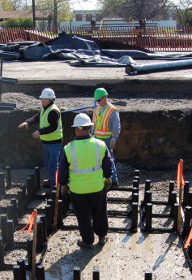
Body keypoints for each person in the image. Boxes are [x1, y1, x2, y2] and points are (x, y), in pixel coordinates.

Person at [58, 113, 112, 249]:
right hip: (97, 187)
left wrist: (64, 185)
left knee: (83, 217)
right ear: (89, 128)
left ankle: (88, 241)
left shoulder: (68, 148)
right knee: (99, 212)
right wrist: (108, 178)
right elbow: (108, 164)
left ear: (77, 129)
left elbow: (63, 170)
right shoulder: (100, 144)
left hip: (78, 190)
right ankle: (102, 237)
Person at [18, 88, 63, 189]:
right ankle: (52, 181)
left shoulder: (53, 111)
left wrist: (40, 132)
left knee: (53, 164)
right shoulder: (44, 108)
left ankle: (54, 186)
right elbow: (37, 117)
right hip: (47, 142)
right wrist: (27, 122)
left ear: (48, 99)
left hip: (54, 143)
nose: (41, 100)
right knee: (48, 163)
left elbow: (53, 127)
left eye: (43, 98)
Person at [92, 88, 121, 188]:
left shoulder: (112, 110)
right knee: (98, 160)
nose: (98, 102)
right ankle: (102, 179)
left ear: (105, 97)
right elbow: (94, 124)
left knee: (109, 160)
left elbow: (117, 126)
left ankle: (114, 181)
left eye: (99, 100)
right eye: (97, 101)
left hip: (107, 139)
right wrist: (91, 135)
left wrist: (114, 138)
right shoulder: (97, 109)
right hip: (97, 138)